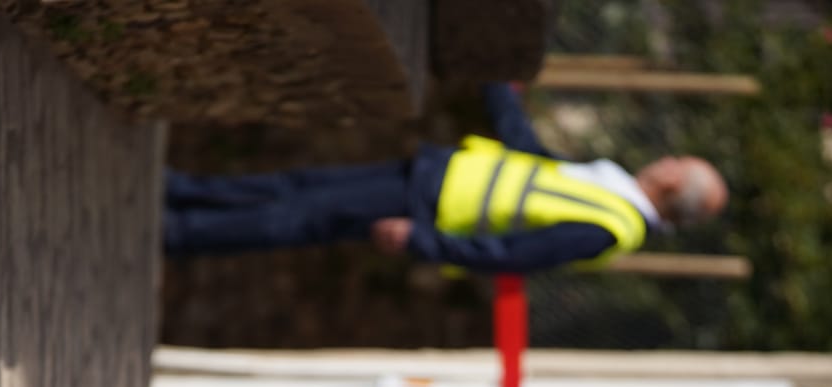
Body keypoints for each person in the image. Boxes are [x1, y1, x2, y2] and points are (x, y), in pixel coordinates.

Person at [163, 83, 727, 274]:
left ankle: (179, 231)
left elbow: (510, 256)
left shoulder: (610, 227)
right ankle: (182, 191)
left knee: (299, 217)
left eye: (678, 164)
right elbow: (531, 159)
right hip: (435, 174)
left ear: (673, 188)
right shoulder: (613, 188)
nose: (667, 159)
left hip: (430, 207)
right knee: (296, 187)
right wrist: (501, 93)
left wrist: (422, 241)